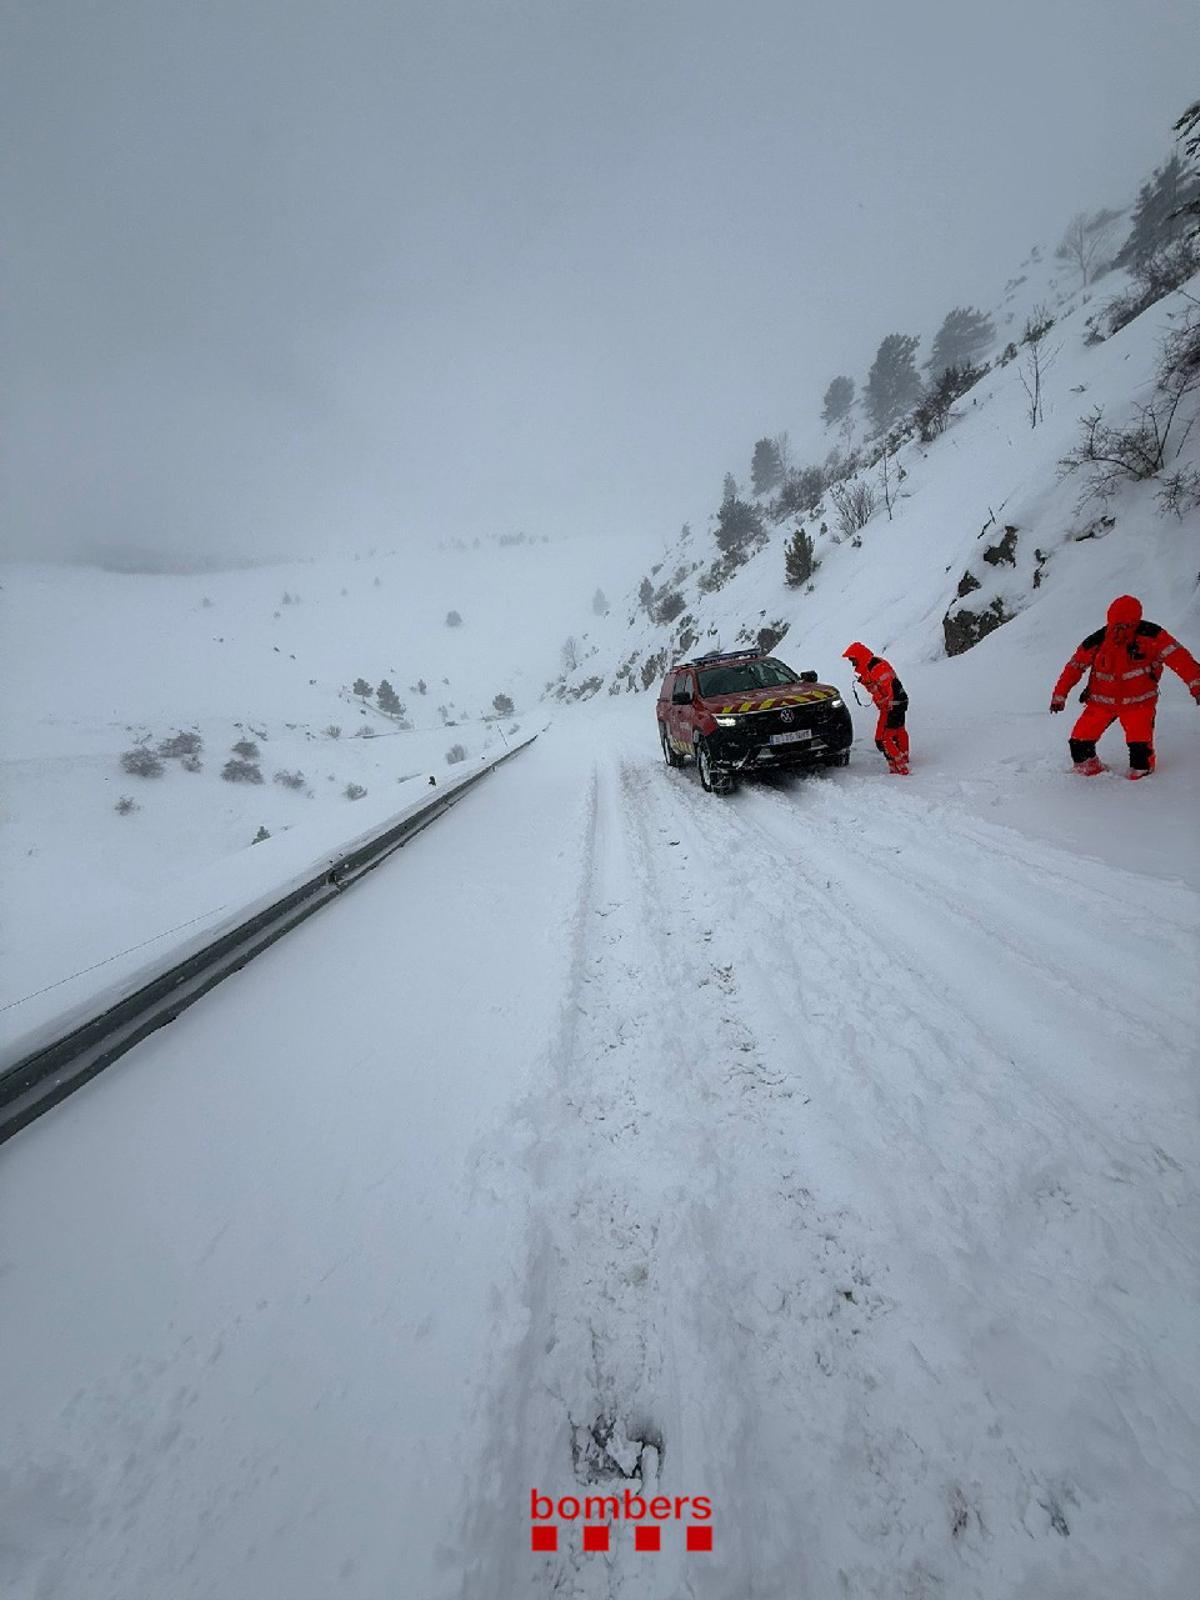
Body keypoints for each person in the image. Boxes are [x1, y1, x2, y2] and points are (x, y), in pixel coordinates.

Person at [1050, 594, 1200, 778]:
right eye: (1115, 624)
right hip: (1100, 704)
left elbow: (1182, 660)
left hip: (1139, 706)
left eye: (1126, 625)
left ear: (1135, 622)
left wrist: (1197, 687)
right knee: (1079, 744)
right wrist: (1059, 695)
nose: (1119, 630)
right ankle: (1089, 771)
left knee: (1140, 756)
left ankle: (1141, 788)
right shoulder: (1098, 640)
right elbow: (1074, 666)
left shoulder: (1152, 636)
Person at [843, 643, 910, 773]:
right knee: (897, 732)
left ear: (860, 657)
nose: (852, 664)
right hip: (895, 704)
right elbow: (878, 689)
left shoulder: (877, 667)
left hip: (893, 705)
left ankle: (900, 767)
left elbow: (889, 688)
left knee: (885, 738)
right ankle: (902, 758)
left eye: (853, 660)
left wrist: (886, 703)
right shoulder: (870, 667)